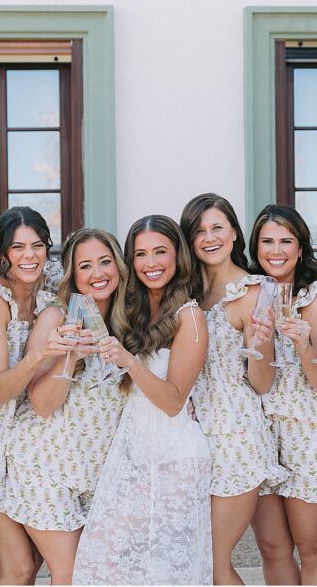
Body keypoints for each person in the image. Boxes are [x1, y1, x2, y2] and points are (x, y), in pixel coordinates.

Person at [72, 215, 211, 585]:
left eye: (160, 252)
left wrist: (129, 361)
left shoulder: (190, 316)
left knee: (140, 565)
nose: (151, 263)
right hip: (135, 454)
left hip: (175, 458)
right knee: (118, 566)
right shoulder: (130, 309)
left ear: (178, 256)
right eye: (141, 254)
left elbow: (173, 401)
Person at [6, 228, 128, 584]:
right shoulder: (55, 318)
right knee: (72, 572)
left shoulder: (128, 320)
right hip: (46, 465)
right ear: (73, 275)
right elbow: (42, 404)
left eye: (105, 262)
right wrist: (70, 359)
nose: (97, 274)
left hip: (98, 471)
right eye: (85, 266)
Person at [180, 193, 286, 585]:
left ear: (235, 232)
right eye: (199, 231)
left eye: (217, 228)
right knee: (206, 557)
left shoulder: (255, 292)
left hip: (235, 438)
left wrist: (260, 346)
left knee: (211, 560)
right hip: (193, 439)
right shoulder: (185, 292)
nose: (209, 237)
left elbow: (262, 383)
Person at [246, 205, 317, 585]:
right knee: (272, 548)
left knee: (312, 546)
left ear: (301, 248)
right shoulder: (251, 296)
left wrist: (305, 346)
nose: (276, 250)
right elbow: (254, 380)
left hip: (313, 437)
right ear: (255, 247)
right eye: (267, 241)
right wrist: (262, 341)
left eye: (286, 241)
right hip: (261, 436)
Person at [0, 206, 61, 585]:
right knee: (18, 566)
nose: (29, 255)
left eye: (37, 245)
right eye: (18, 247)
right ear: (3, 252)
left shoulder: (51, 292)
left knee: (36, 562)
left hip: (33, 447)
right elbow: (1, 389)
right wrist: (39, 354)